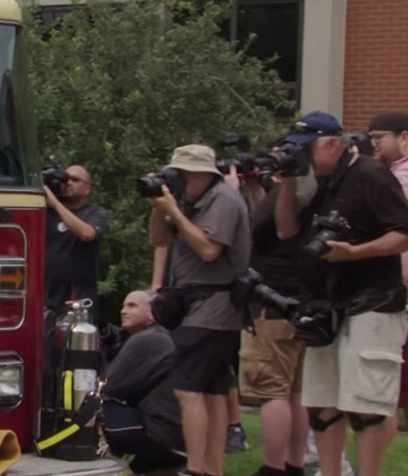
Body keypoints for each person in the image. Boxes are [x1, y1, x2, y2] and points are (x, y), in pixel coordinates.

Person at [273, 110, 408, 476]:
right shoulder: (321, 181)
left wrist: (355, 252)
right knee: (322, 405)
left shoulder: (370, 175)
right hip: (325, 308)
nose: (300, 156)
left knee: (365, 408)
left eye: (306, 148)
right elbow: (286, 231)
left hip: (372, 304)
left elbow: (403, 232)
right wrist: (286, 181)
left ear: (333, 143)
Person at [147, 144, 250, 476]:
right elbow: (159, 240)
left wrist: (175, 212)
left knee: (187, 388)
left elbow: (209, 250)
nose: (177, 180)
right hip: (195, 303)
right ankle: (212, 468)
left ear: (203, 174)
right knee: (213, 389)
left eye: (182, 174)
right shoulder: (188, 201)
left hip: (215, 305)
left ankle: (195, 467)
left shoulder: (223, 200)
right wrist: (158, 206)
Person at [234, 160, 315, 476]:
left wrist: (234, 190)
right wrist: (257, 188)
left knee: (271, 391)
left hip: (271, 303)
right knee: (294, 390)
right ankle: (294, 464)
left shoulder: (288, 190)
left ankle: (273, 467)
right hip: (300, 300)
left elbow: (253, 231)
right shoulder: (312, 195)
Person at [102, 290, 185, 476]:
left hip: (160, 431)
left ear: (152, 313)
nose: (123, 311)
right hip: (179, 432)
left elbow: (107, 387)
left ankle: (102, 464)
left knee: (93, 410)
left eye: (132, 306)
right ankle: (156, 467)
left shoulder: (147, 339)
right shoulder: (165, 335)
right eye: (124, 306)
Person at [367, 111, 408, 432]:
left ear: (404, 137)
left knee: (387, 387)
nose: (373, 144)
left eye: (380, 137)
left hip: (399, 293)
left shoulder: (402, 178)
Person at [43, 165, 110, 319]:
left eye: (75, 180)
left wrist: (56, 204)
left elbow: (87, 234)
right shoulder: (48, 211)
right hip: (46, 296)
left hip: (77, 299)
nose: (68, 183)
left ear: (87, 188)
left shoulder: (95, 213)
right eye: (66, 179)